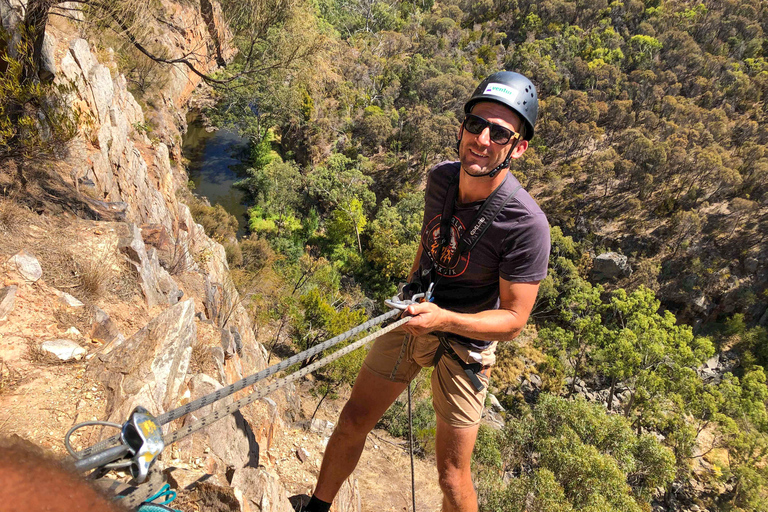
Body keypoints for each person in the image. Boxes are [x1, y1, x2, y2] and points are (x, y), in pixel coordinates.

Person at [303, 71, 550, 512]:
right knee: (353, 419)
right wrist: (416, 287)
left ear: (518, 147)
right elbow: (430, 240)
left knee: (452, 478)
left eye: (500, 133)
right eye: (476, 124)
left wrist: (445, 320)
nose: (483, 139)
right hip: (415, 314)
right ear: (462, 127)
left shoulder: (526, 224)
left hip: (466, 343)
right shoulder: (440, 180)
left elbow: (513, 320)